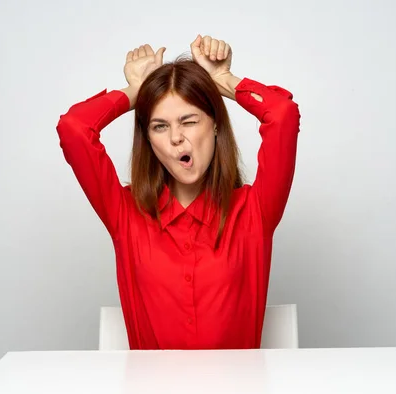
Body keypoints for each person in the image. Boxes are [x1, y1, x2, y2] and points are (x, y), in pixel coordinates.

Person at [56, 34, 301, 350]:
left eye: (189, 121)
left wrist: (222, 80)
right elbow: (74, 128)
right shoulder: (125, 213)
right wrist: (135, 92)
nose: (176, 138)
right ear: (149, 138)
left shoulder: (254, 210)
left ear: (214, 125)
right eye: (160, 126)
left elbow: (282, 115)